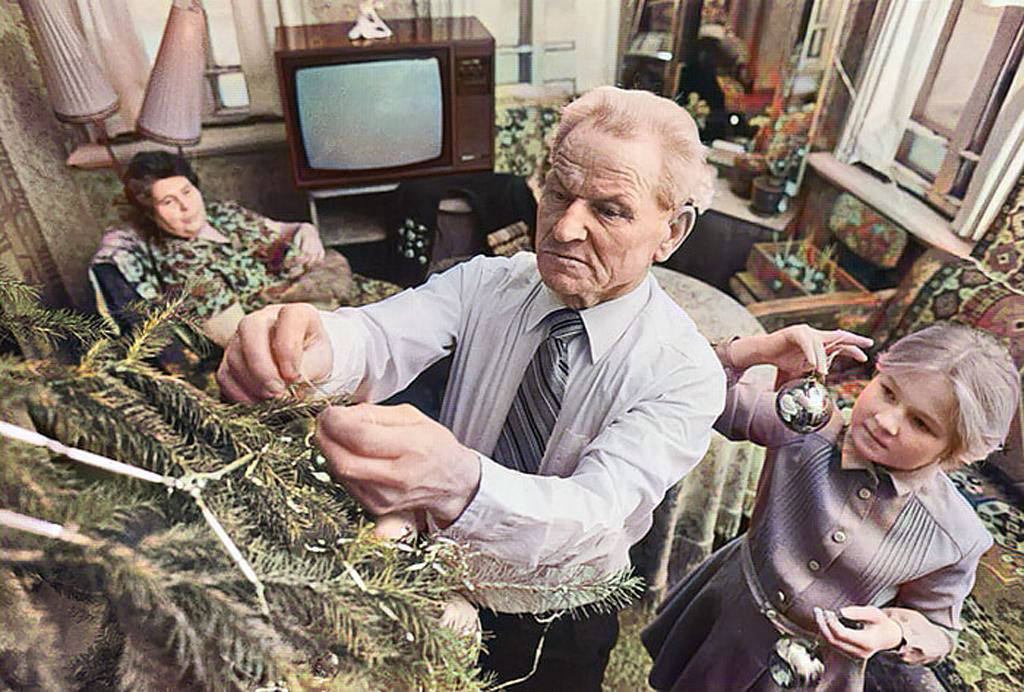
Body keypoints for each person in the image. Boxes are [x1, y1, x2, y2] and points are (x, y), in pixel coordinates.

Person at [216, 85, 722, 689]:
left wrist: (460, 481)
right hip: (436, 582)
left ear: (672, 232)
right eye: (558, 193)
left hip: (559, 617)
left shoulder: (684, 372)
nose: (565, 228)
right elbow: (377, 336)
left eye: (610, 211)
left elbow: (597, 512)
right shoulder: (486, 283)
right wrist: (308, 346)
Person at [643, 322, 1020, 691]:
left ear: (957, 452)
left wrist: (895, 632)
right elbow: (687, 387)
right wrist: (755, 350)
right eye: (888, 392)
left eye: (921, 423)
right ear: (878, 371)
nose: (885, 421)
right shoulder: (805, 426)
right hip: (728, 612)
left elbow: (938, 630)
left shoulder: (956, 538)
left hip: (813, 673)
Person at [93, 151, 353, 346]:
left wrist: (306, 230)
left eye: (187, 191)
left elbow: (284, 229)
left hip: (341, 294)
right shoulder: (182, 265)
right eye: (169, 201)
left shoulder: (224, 213)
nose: (186, 206)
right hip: (314, 328)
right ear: (151, 214)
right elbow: (241, 338)